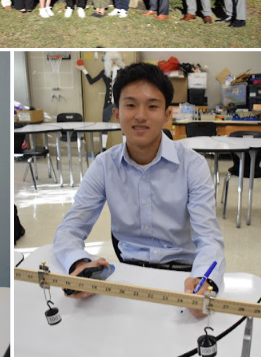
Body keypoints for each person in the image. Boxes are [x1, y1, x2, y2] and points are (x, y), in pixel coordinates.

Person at [53, 62, 225, 318]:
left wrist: (204, 280)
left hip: (183, 275)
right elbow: (69, 229)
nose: (140, 115)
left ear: (168, 115)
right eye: (130, 105)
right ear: (116, 113)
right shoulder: (104, 165)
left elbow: (209, 238)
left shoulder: (193, 166)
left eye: (152, 106)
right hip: (126, 275)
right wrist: (79, 264)